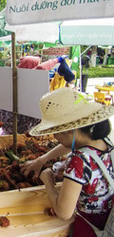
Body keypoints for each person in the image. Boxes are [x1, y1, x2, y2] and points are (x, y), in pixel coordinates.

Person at [21, 88, 114, 236]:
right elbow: (71, 145)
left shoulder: (78, 161)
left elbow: (64, 213)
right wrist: (43, 159)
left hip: (90, 229)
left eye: (54, 131)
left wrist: (47, 180)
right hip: (108, 218)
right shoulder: (104, 141)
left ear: (69, 130)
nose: (53, 136)